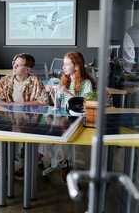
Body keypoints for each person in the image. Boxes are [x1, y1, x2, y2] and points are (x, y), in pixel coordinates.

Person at [0, 53, 49, 180]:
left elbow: (43, 101)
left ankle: (25, 161)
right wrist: (9, 105)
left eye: (18, 65)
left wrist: (23, 104)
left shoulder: (35, 81)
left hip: (28, 118)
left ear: (27, 69)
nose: (14, 66)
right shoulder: (5, 80)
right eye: (14, 63)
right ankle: (7, 156)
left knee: (27, 134)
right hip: (7, 117)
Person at [44, 51, 96, 184]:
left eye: (66, 64)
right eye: (63, 64)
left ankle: (60, 163)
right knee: (45, 136)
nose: (63, 67)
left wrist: (67, 92)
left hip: (80, 120)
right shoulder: (65, 80)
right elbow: (59, 105)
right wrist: (53, 94)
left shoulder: (86, 83)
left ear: (77, 66)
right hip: (64, 118)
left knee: (50, 139)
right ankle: (63, 163)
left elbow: (86, 105)